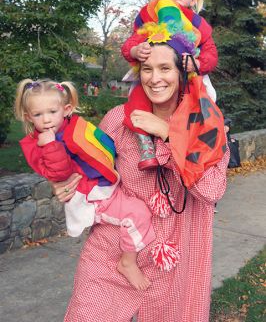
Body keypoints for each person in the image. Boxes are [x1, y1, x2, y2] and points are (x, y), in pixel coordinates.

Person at [51, 40, 229, 322]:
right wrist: (67, 183)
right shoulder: (118, 120)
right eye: (147, 69)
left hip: (175, 264)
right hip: (113, 252)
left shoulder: (207, 126)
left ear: (182, 74)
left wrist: (170, 136)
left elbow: (211, 190)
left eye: (165, 68)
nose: (155, 78)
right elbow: (89, 167)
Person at [14, 78, 155, 290]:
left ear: (66, 109)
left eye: (52, 112)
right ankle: (128, 262)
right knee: (137, 214)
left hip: (102, 187)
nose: (46, 120)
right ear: (28, 117)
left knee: (136, 210)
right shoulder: (44, 142)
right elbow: (59, 173)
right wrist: (50, 146)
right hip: (91, 197)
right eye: (38, 114)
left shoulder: (72, 128)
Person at [121, 0, 218, 170]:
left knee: (202, 101)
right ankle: (145, 144)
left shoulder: (197, 25)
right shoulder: (151, 20)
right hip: (154, 76)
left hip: (190, 77)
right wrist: (137, 50)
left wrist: (198, 64)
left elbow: (211, 53)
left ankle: (198, 137)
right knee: (137, 101)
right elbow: (130, 44)